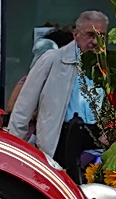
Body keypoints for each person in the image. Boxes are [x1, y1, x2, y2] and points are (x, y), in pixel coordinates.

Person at [7, 11, 108, 168]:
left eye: (102, 36)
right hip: (60, 138)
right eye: (90, 34)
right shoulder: (53, 59)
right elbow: (23, 107)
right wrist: (13, 150)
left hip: (95, 140)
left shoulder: (106, 65)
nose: (96, 41)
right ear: (75, 34)